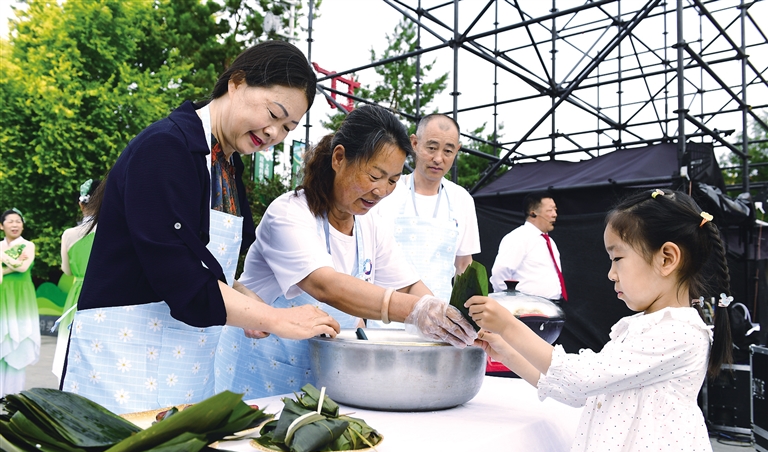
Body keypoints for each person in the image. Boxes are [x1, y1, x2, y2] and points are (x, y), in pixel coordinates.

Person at [60, 41, 340, 414]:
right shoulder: (166, 147)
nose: (274, 132)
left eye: (287, 128)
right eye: (274, 113)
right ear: (236, 83)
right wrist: (278, 318)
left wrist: (250, 304)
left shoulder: (228, 166)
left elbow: (209, 265)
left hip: (187, 366)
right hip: (122, 364)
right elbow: (179, 275)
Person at [466, 188, 732, 452]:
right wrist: (507, 352)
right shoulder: (645, 327)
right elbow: (578, 391)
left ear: (666, 258)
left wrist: (509, 326)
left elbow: (581, 378)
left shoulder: (678, 331)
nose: (610, 273)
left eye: (617, 258)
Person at [215, 105, 477, 398]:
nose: (381, 191)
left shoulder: (369, 224)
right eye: (374, 176)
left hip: (327, 382)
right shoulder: (290, 213)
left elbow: (407, 285)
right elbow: (325, 285)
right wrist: (415, 311)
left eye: (392, 180)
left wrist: (444, 317)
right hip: (262, 377)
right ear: (339, 158)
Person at [374, 114, 480, 302]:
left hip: (440, 311)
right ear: (414, 143)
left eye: (448, 151)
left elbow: (464, 264)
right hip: (388, 310)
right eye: (431, 148)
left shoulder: (462, 199)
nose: (438, 158)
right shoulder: (389, 191)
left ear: (457, 150)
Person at [51, 178, 102, 382]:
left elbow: (67, 270)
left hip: (78, 294)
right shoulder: (115, 230)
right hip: (105, 292)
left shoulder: (69, 234)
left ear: (81, 204)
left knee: (70, 349)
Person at [489, 192, 566, 300]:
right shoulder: (519, 237)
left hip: (551, 304)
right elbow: (500, 272)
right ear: (533, 213)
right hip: (526, 305)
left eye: (555, 210)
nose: (554, 214)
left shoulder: (548, 241)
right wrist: (508, 300)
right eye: (550, 210)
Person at [0, 208, 40, 397]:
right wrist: (12, 262)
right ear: (2, 226)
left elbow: (23, 267)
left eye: (18, 221)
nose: (15, 225)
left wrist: (2, 257)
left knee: (19, 343)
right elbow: (15, 266)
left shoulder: (28, 245)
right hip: (2, 297)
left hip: (21, 298)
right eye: (10, 221)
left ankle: (14, 396)